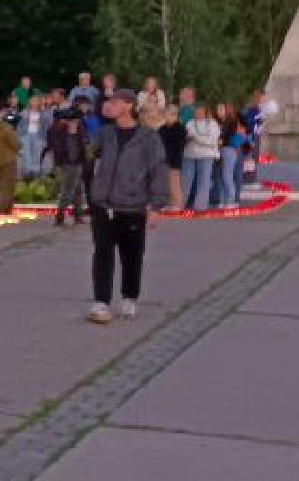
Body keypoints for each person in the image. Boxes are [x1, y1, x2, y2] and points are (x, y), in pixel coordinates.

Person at [86, 91, 170, 325]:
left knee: (131, 256)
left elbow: (158, 171)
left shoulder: (148, 138)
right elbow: (90, 156)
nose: (109, 105)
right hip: (104, 205)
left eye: (115, 102)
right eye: (109, 102)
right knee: (102, 252)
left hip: (132, 205)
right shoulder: (105, 133)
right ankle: (101, 300)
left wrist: (156, 205)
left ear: (129, 105)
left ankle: (129, 296)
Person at [47, 108, 89, 226]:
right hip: (68, 163)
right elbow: (57, 147)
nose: (76, 122)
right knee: (68, 190)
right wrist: (70, 132)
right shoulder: (58, 130)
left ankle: (78, 215)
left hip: (78, 162)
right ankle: (60, 216)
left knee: (78, 190)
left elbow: (83, 143)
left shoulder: (79, 128)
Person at [183, 103, 222, 211]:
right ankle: (180, 203)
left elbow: (213, 140)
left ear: (206, 112)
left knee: (204, 181)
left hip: (206, 155)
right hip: (190, 154)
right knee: (186, 180)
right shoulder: (190, 123)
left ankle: (200, 206)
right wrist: (197, 138)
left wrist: (198, 139)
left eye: (200, 111)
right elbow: (187, 136)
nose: (198, 113)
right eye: (196, 111)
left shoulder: (212, 124)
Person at [214, 104, 248, 209]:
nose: (219, 111)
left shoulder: (232, 121)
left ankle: (231, 199)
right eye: (218, 109)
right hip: (218, 150)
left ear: (226, 110)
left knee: (227, 175)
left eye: (221, 109)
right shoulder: (217, 122)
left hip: (228, 149)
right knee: (220, 176)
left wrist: (220, 139)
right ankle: (223, 199)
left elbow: (227, 135)